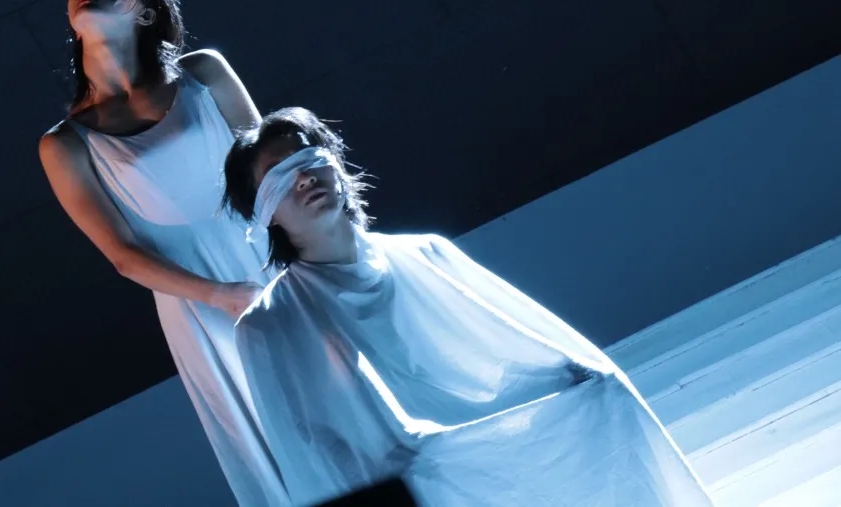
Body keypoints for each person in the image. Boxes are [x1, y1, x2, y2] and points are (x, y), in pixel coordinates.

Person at [222, 107, 715, 507]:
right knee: (432, 469)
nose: (303, 178)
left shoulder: (425, 253)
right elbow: (313, 455)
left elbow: (508, 341)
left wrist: (577, 377)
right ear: (263, 214)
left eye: (309, 158)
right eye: (279, 175)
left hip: (465, 431)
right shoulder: (269, 325)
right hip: (409, 466)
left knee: (603, 389)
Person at [39, 0, 287, 506]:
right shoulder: (67, 144)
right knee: (270, 430)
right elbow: (122, 256)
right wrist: (221, 295)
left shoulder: (204, 73)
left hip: (274, 253)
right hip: (198, 301)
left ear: (146, 10)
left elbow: (273, 172)